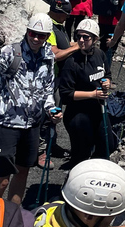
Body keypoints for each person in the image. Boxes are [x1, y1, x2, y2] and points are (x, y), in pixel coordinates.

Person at [0, 13, 62, 204]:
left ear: (48, 36)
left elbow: (47, 91)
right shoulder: (11, 52)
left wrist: (52, 111)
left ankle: (12, 218)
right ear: (27, 31)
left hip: (32, 125)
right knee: (3, 179)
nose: (37, 38)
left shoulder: (48, 56)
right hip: (7, 123)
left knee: (22, 173)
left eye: (42, 35)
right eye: (33, 33)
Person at [58, 19, 113, 166]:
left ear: (95, 39)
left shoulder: (100, 54)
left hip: (98, 109)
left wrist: (107, 82)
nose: (81, 40)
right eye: (78, 37)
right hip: (78, 112)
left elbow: (107, 74)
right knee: (82, 151)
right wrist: (92, 94)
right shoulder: (71, 62)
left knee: (108, 145)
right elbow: (66, 94)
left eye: (86, 37)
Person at [37, 0, 78, 167]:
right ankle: (41, 151)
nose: (67, 18)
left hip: (58, 76)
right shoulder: (50, 28)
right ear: (60, 13)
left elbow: (64, 46)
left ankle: (51, 145)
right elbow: (55, 54)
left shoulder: (58, 26)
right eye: (66, 15)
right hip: (49, 78)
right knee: (48, 114)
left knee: (56, 112)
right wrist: (76, 48)